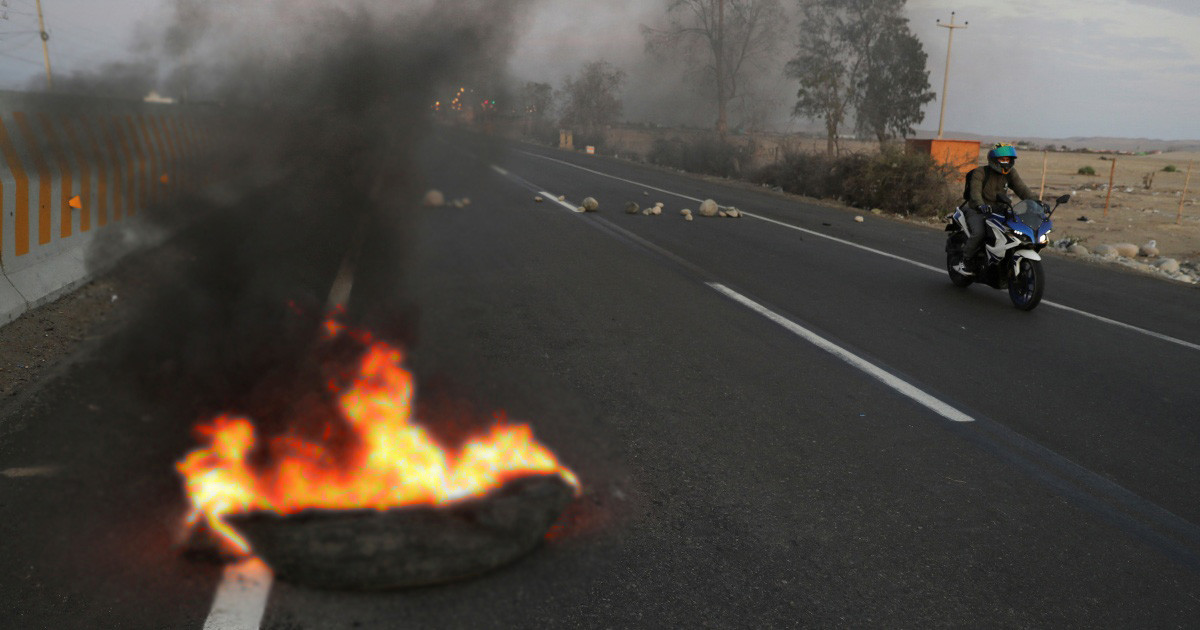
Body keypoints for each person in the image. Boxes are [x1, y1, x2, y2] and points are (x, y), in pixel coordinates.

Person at [953, 142, 1037, 276]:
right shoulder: (980, 172)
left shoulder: (1010, 173)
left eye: (1008, 159)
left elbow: (1022, 189)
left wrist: (1037, 202)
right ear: (993, 160)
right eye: (1002, 159)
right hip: (977, 210)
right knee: (979, 233)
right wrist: (980, 205)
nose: (1006, 162)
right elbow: (975, 193)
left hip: (1000, 210)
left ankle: (1002, 260)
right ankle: (965, 261)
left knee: (1013, 231)